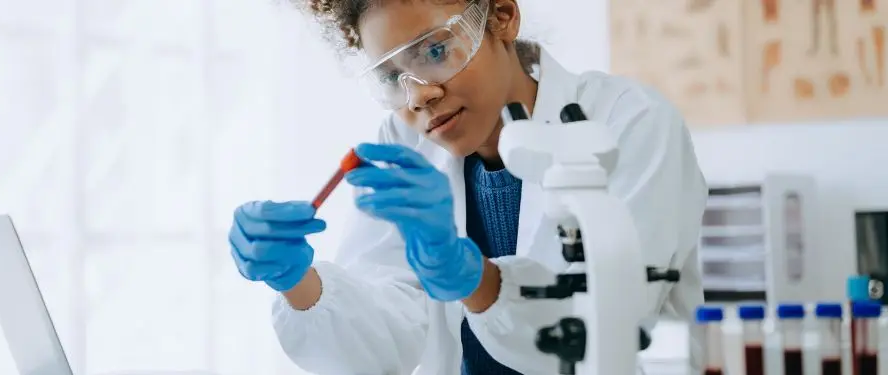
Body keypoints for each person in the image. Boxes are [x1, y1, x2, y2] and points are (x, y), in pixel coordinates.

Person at [226, 0, 709, 374]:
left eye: (436, 50)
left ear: (502, 15)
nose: (419, 95)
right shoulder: (406, 142)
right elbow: (379, 347)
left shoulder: (628, 121)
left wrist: (468, 274)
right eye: (393, 76)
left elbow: (602, 333)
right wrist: (297, 281)